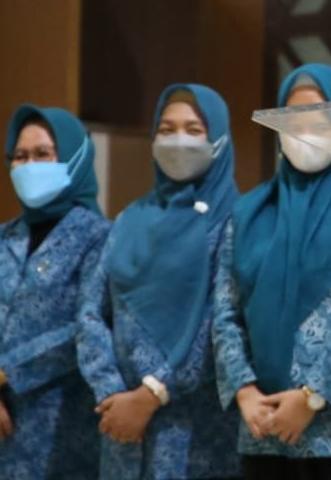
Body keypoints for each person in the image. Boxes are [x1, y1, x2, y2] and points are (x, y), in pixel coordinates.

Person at [78, 84, 242, 479]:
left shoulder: (234, 222)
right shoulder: (129, 219)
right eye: (166, 130)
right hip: (119, 425)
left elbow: (221, 321)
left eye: (193, 130)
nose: (178, 141)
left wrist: (153, 393)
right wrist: (111, 392)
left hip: (194, 433)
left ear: (219, 140)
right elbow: (90, 311)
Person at [0, 104, 110, 479]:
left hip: (58, 435)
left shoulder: (100, 238)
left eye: (42, 154)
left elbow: (89, 327)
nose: (29, 165)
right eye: (20, 156)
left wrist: (2, 371)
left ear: (74, 159)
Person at [212, 63, 331, 480]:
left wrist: (313, 395)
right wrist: (244, 390)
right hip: (262, 428)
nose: (305, 134)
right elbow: (225, 312)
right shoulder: (249, 213)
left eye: (320, 123)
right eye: (293, 122)